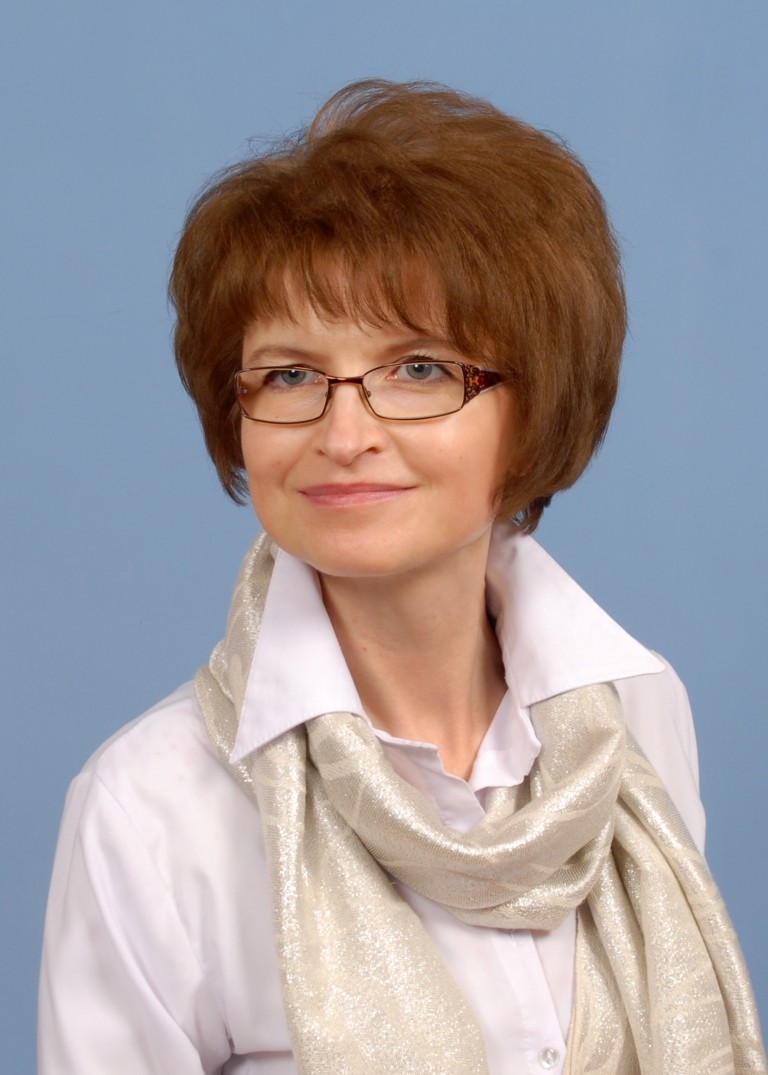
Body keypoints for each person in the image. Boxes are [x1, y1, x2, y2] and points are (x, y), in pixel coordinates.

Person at [38, 80, 765, 1075]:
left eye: (419, 368)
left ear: (534, 409)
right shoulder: (151, 806)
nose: (345, 435)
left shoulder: (639, 712)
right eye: (291, 374)